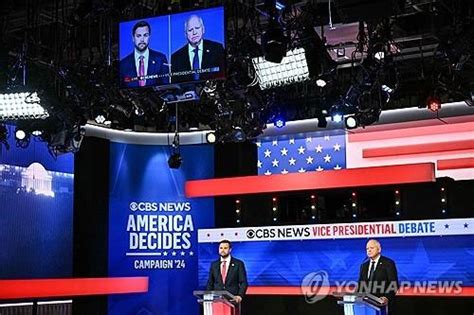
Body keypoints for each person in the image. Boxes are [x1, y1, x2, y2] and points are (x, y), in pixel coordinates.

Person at [171, 15, 225, 83]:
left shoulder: (217, 49)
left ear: (203, 29)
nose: (194, 32)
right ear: (185, 34)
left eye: (197, 28)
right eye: (190, 30)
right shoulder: (176, 57)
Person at [120, 20, 169, 88]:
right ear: (133, 38)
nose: (142, 40)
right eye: (138, 36)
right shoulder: (123, 64)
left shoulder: (160, 59)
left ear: (149, 37)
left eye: (145, 35)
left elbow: (166, 86)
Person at [357, 239, 399, 314]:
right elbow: (361, 285)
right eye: (367, 249)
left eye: (372, 248)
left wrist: (386, 298)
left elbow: (394, 284)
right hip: (367, 306)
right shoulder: (364, 266)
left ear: (379, 249)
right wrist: (357, 296)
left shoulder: (388, 263)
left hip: (383, 306)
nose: (369, 250)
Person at [206, 240, 248, 304]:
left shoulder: (238, 264)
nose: (223, 250)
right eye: (221, 248)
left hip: (233, 299)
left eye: (225, 248)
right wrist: (208, 296)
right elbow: (210, 282)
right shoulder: (214, 264)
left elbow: (243, 282)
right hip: (217, 300)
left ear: (230, 249)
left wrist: (239, 296)